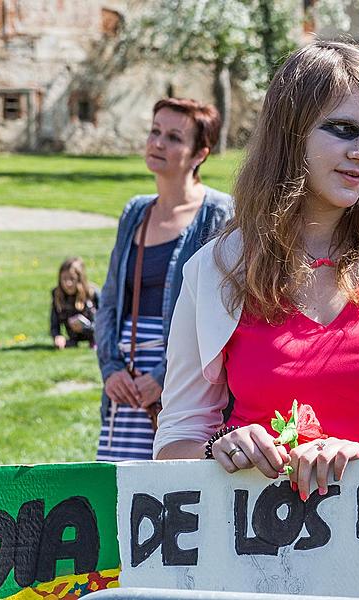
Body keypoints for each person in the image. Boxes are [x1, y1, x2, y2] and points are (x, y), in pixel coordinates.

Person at [155, 41, 359, 500]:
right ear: (290, 133)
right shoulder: (216, 268)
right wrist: (218, 450)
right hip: (251, 551)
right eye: (344, 130)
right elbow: (175, 441)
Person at [95, 97, 234, 462]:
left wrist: (162, 374)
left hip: (182, 378)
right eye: (155, 132)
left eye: (174, 137)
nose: (158, 143)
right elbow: (110, 299)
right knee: (116, 488)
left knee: (166, 493)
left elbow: (222, 311)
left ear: (200, 153)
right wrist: (111, 370)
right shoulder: (136, 211)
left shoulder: (219, 213)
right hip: (127, 381)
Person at [51, 257, 100, 349]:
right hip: (73, 338)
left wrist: (86, 327)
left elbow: (105, 323)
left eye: (72, 279)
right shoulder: (57, 294)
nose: (68, 283)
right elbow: (54, 323)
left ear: (80, 279)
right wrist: (57, 336)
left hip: (95, 334)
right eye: (64, 279)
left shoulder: (92, 293)